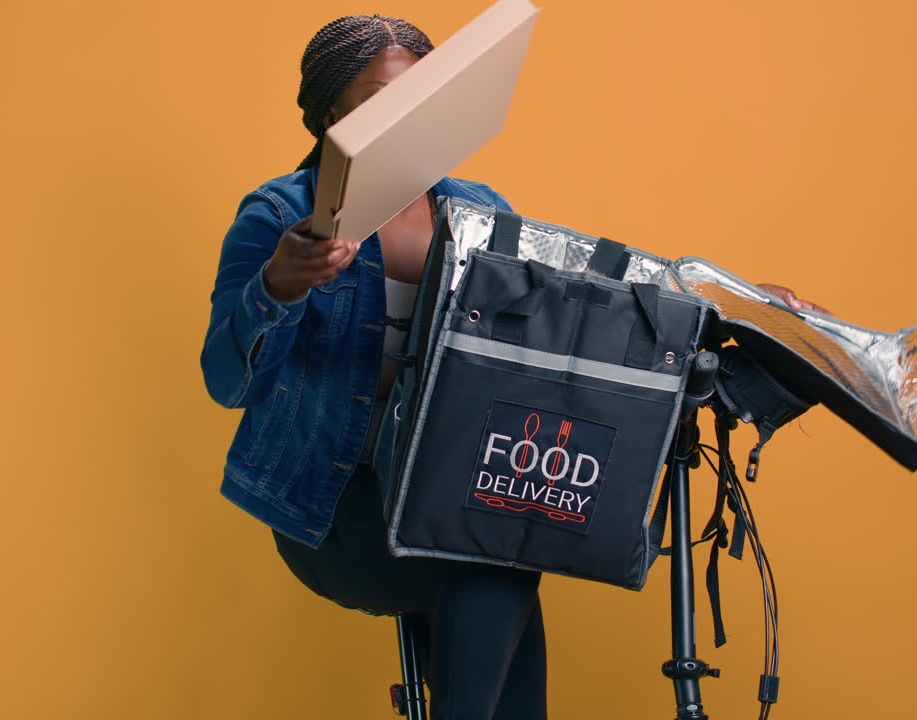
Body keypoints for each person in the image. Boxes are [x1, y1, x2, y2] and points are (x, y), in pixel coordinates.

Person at [200, 13, 825, 719]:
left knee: (506, 540)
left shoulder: (477, 210)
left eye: (420, 98)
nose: (403, 117)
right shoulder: (281, 216)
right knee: (499, 552)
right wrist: (279, 286)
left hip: (449, 492)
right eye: (379, 99)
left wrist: (732, 304)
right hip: (333, 507)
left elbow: (590, 301)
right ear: (330, 112)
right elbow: (227, 382)